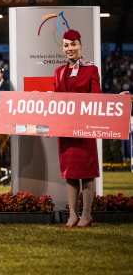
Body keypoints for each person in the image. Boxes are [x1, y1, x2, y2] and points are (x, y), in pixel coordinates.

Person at [54, 29, 101, 228]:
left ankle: (87, 214)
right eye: (66, 45)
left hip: (85, 130)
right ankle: (72, 214)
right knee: (70, 173)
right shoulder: (58, 72)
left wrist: (119, 98)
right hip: (66, 131)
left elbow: (98, 97)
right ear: (62, 48)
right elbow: (55, 100)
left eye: (73, 44)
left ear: (80, 46)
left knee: (87, 173)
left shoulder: (91, 70)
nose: (70, 48)